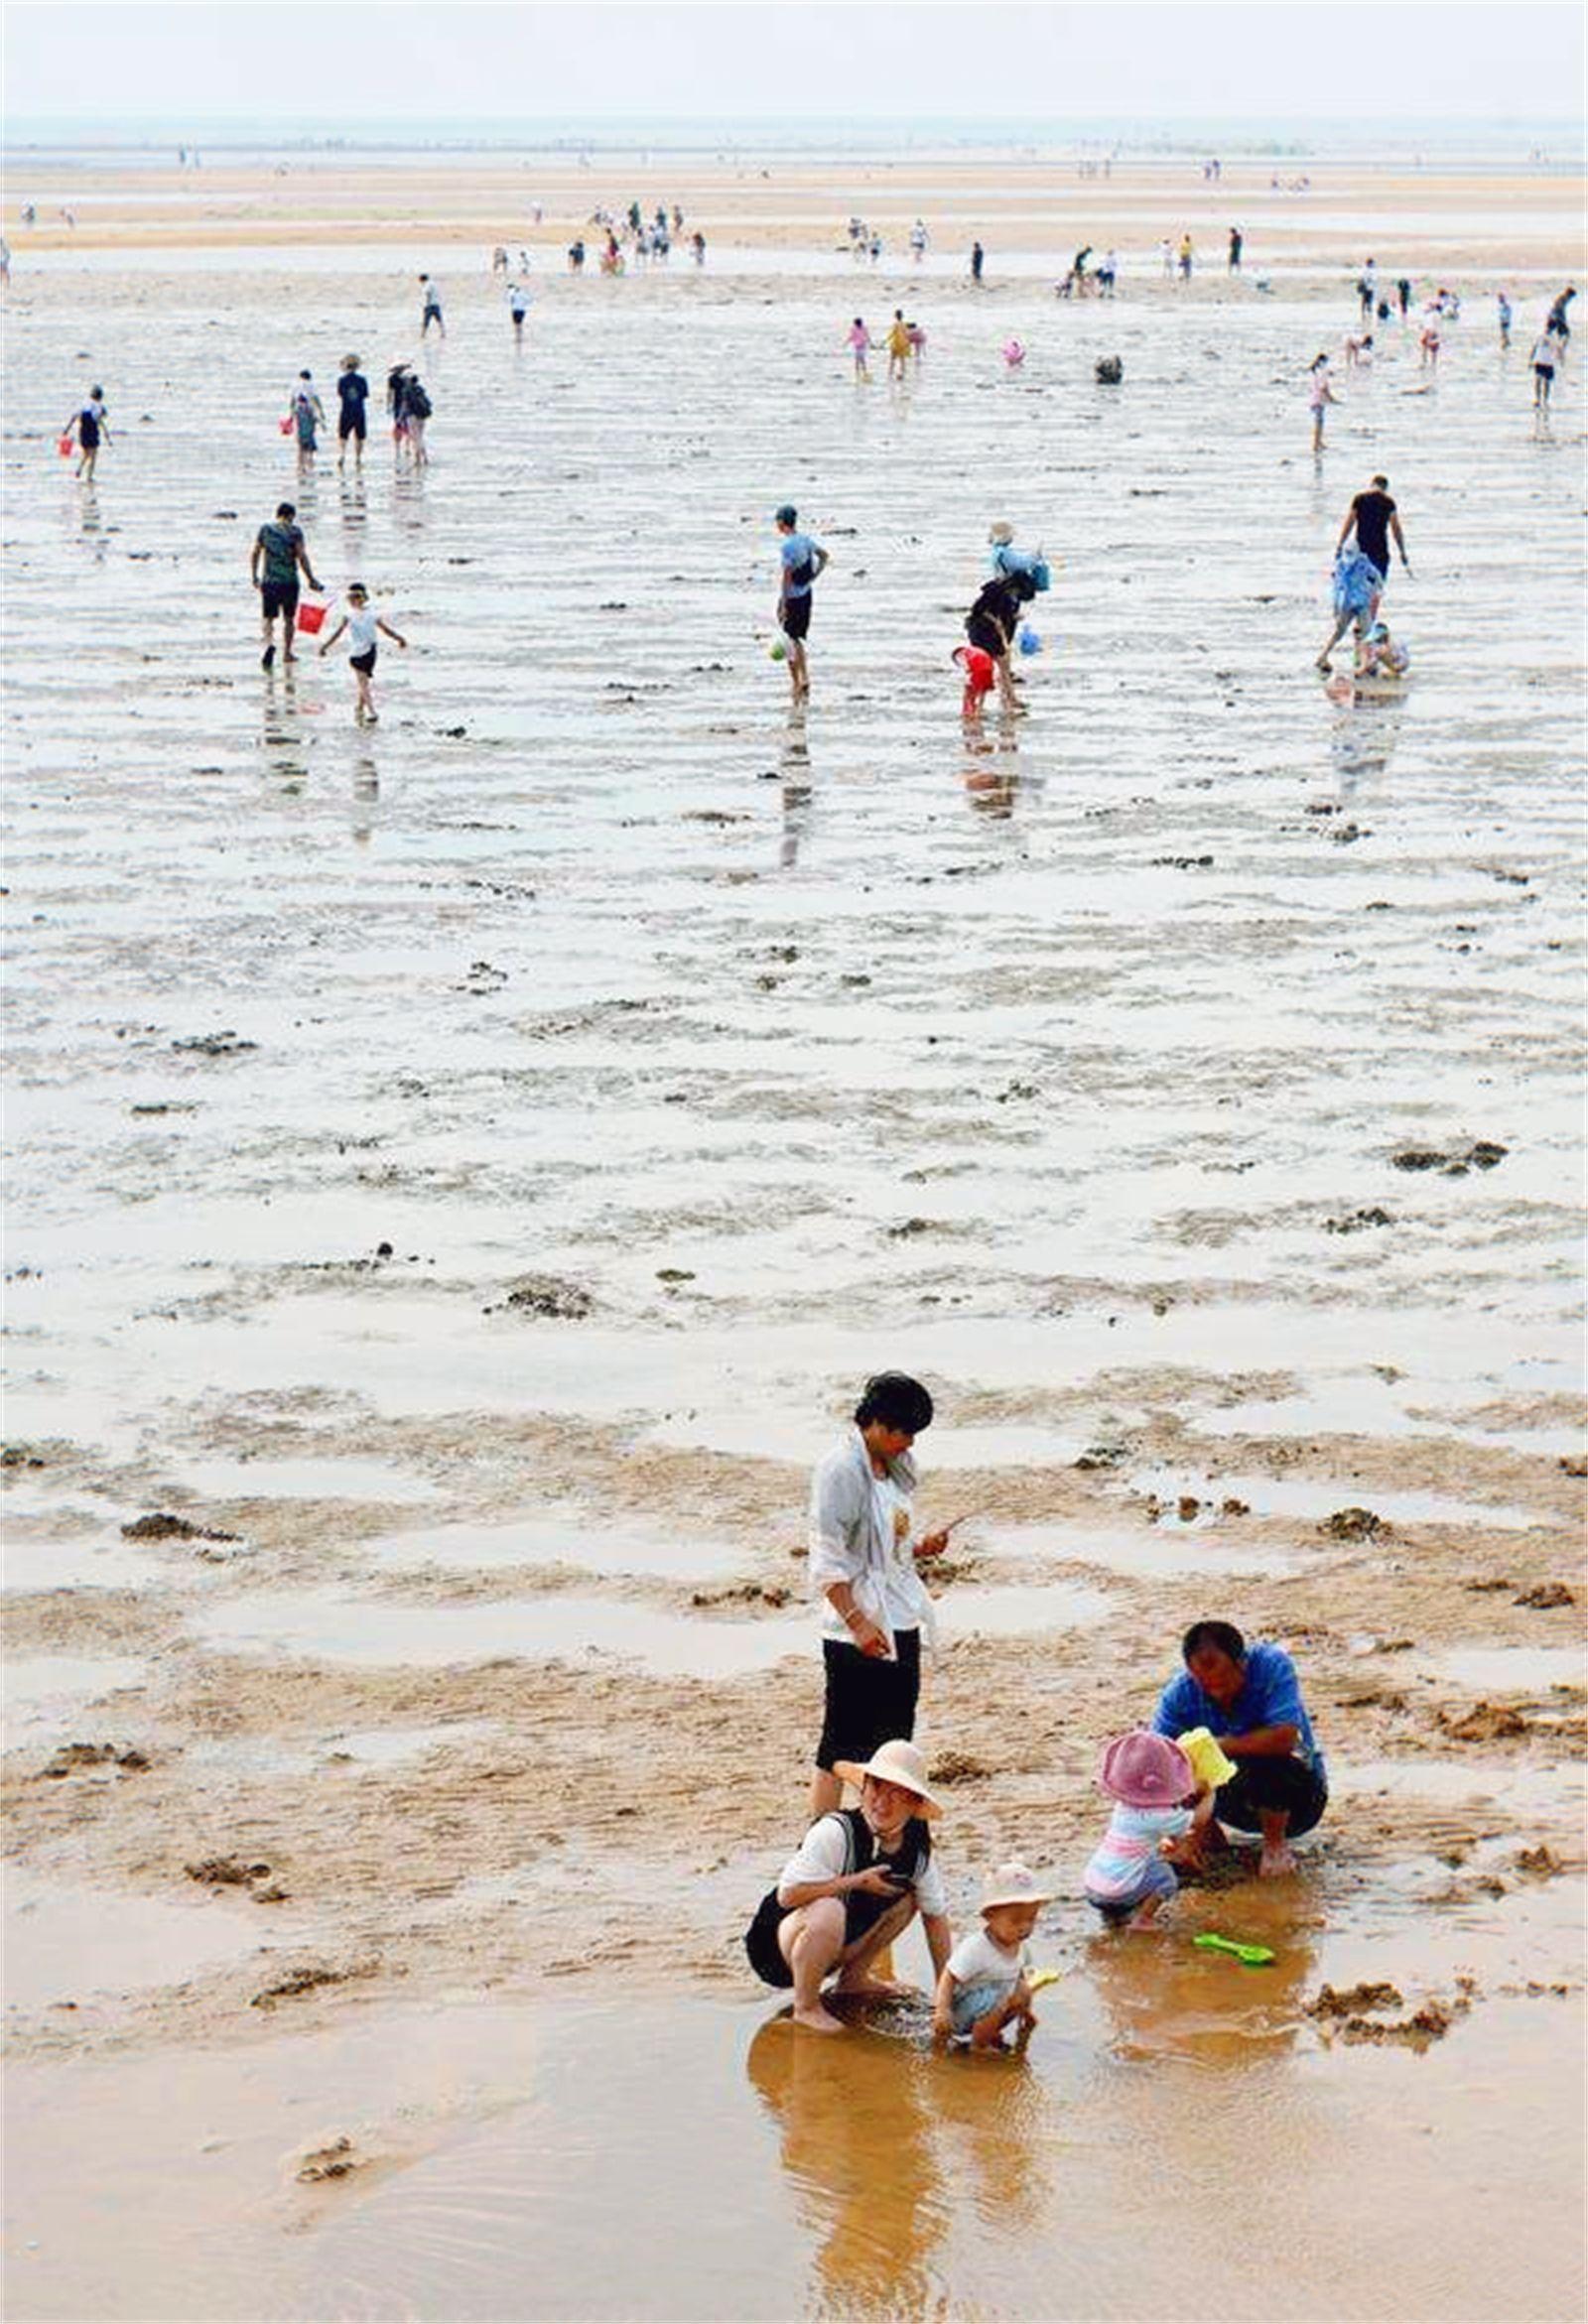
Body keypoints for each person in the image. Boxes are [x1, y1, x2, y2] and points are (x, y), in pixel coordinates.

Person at [743, 1738, 954, 2035]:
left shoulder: (917, 1852)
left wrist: (946, 1999)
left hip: (837, 1940)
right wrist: (856, 1881)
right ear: (863, 1786)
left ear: (915, 1803)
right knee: (828, 1909)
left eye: (898, 1793)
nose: (882, 1801)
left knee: (910, 1898)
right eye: (877, 1786)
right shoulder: (835, 1831)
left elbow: (936, 1919)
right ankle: (806, 2007)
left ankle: (853, 1980)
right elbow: (787, 1895)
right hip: (779, 1948)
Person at [806, 1371, 944, 1813]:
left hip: (900, 1618)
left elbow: (888, 1548)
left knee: (894, 1743)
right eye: (905, 1432)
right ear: (879, 1424)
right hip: (857, 1630)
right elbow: (827, 1558)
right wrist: (858, 1622)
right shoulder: (842, 1470)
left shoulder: (893, 1470)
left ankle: (883, 1836)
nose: (911, 1443)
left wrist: (920, 1548)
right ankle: (819, 1842)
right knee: (840, 1745)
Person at [1151, 1619, 1328, 1876]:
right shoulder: (1179, 1694)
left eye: (1224, 1682)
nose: (1217, 1692)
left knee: (1267, 1760)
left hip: (1297, 1795)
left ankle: (1275, 1846)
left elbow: (1285, 1737)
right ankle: (1209, 1838)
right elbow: (1156, 1755)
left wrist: (1220, 1745)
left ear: (1241, 1663)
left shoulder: (1271, 1666)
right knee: (1179, 1762)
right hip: (1228, 1801)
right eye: (1206, 1685)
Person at [1083, 1731, 1213, 1927]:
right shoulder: (1160, 1817)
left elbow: (1145, 1838)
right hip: (1119, 1892)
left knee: (1143, 1859)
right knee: (1166, 1878)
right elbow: (1197, 1821)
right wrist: (1210, 1793)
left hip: (1093, 1887)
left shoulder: (1122, 1808)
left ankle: (1116, 1915)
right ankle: (1143, 1919)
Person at [932, 1863, 1051, 2048]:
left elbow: (1018, 1974)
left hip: (993, 2006)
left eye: (1031, 1919)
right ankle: (979, 2047)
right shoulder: (976, 1947)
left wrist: (1025, 2011)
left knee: (1023, 1989)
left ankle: (989, 2032)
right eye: (1016, 1920)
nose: (1025, 1927)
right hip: (961, 2014)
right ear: (989, 1916)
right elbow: (948, 1976)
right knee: (997, 1999)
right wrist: (942, 2011)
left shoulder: (1020, 1946)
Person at [1317, 472, 1410, 668]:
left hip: (1360, 557)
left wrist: (1339, 546)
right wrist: (1402, 552)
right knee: (1372, 603)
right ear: (1385, 488)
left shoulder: (1359, 500)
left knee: (1355, 601)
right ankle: (1364, 653)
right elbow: (1396, 529)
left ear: (1372, 485)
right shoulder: (1388, 503)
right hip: (1379, 557)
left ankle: (1359, 650)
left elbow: (1348, 524)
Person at [318, 581, 408, 724]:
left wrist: (399, 638)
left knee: (364, 682)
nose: (355, 600)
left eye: (357, 597)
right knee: (363, 683)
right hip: (356, 654)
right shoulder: (349, 615)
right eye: (352, 597)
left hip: (371, 651)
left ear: (364, 597)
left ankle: (359, 707)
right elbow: (338, 633)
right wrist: (325, 646)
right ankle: (371, 711)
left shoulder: (372, 614)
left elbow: (385, 629)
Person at [250, 498, 320, 671]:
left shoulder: (265, 530)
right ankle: (287, 652)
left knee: (268, 618)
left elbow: (255, 552)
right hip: (289, 581)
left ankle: (268, 644)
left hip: (270, 581)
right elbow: (302, 556)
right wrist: (311, 579)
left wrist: (254, 576)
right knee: (289, 619)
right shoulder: (295, 532)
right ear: (291, 516)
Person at [773, 503, 830, 706]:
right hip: (807, 595)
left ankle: (796, 682)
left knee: (789, 642)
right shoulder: (804, 540)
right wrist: (814, 575)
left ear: (782, 522)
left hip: (793, 598)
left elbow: (786, 578)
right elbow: (824, 555)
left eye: (777, 520)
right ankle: (804, 678)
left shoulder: (787, 547)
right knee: (797, 639)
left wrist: (783, 604)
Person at [965, 566, 1035, 714]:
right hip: (982, 632)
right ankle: (978, 705)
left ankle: (1011, 698)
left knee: (1004, 667)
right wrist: (995, 621)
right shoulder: (995, 590)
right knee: (985, 669)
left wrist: (1012, 619)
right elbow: (977, 610)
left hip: (999, 634)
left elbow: (1007, 616)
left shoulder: (1014, 596)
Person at [65, 384, 109, 482]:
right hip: (92, 430)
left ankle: (79, 469)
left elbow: (74, 417)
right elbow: (101, 420)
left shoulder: (83, 404)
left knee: (86, 452)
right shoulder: (99, 406)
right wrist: (107, 436)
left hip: (83, 430)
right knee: (93, 454)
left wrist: (67, 430)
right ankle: (89, 477)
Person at [334, 355, 368, 472]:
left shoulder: (342, 380)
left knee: (343, 435)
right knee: (359, 436)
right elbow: (365, 394)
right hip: (359, 410)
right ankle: (358, 458)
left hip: (346, 410)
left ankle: (342, 454)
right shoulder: (362, 380)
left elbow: (340, 394)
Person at [288, 370, 325, 466]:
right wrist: (321, 412)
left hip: (299, 412)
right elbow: (315, 399)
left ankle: (300, 458)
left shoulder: (295, 386)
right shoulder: (311, 385)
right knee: (310, 433)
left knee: (300, 434)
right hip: (309, 412)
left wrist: (291, 414)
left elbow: (292, 401)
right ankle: (310, 458)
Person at [1307, 353, 1336, 452]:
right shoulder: (1321, 373)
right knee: (1319, 423)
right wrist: (1331, 398)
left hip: (1313, 399)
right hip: (1319, 400)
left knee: (1318, 422)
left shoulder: (1314, 373)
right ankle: (1316, 443)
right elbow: (1323, 388)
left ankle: (1319, 442)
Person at [1529, 325, 1561, 409]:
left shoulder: (1554, 338)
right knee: (1538, 380)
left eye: (1549, 328)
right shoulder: (1539, 336)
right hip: (1539, 361)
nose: (1547, 330)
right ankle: (1537, 399)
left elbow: (1558, 350)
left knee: (1547, 383)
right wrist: (1530, 360)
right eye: (1546, 328)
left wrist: (1559, 359)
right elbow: (1534, 348)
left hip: (1548, 363)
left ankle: (1545, 400)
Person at [885, 309, 911, 382]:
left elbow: (892, 334)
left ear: (896, 316)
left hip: (896, 344)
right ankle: (902, 373)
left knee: (892, 360)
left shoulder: (895, 325)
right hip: (903, 344)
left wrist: (885, 341)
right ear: (902, 316)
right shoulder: (904, 324)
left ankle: (890, 374)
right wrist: (907, 343)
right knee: (902, 360)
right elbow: (906, 335)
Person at [846, 316, 872, 382]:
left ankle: (859, 373)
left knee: (859, 360)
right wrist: (870, 343)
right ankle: (862, 373)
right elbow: (867, 336)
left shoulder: (857, 329)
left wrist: (846, 342)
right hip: (860, 346)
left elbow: (851, 337)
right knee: (860, 360)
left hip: (859, 346)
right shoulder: (861, 328)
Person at [419, 273, 444, 337]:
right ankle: (442, 333)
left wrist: (426, 304)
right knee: (439, 320)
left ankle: (423, 334)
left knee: (426, 321)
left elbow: (427, 293)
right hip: (436, 304)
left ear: (422, 279)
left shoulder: (427, 284)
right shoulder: (434, 284)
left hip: (430, 305)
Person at [507, 280, 530, 344]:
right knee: (519, 324)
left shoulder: (512, 293)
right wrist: (523, 304)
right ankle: (519, 337)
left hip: (515, 310)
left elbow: (510, 301)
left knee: (516, 324)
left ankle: (517, 337)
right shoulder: (523, 293)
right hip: (521, 310)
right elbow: (528, 300)